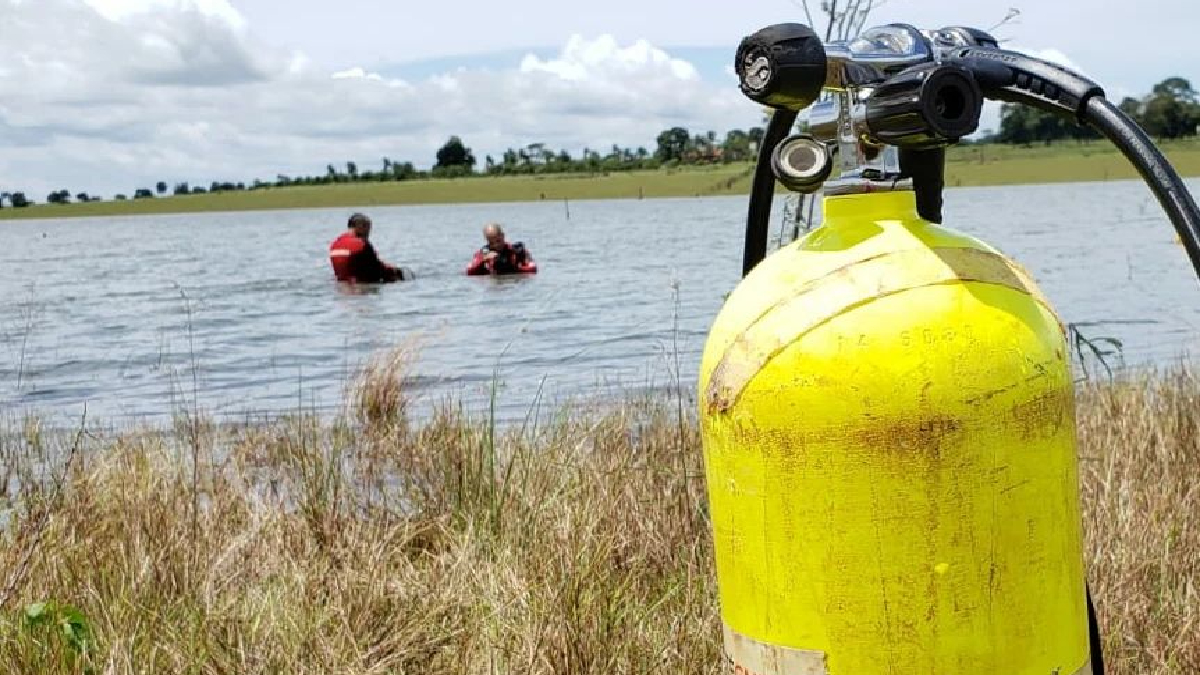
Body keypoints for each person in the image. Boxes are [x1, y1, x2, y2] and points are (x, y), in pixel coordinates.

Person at [329, 212, 405, 283]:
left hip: (341, 288)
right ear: (360, 226)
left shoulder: (334, 244)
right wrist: (397, 271)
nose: (368, 234)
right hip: (360, 288)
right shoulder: (361, 245)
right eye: (368, 229)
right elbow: (378, 269)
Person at [465, 223, 537, 276]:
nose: (496, 245)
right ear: (486, 240)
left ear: (503, 236)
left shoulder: (517, 251)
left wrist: (514, 269)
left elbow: (533, 269)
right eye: (491, 242)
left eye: (498, 240)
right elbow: (469, 272)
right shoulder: (482, 253)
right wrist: (483, 261)